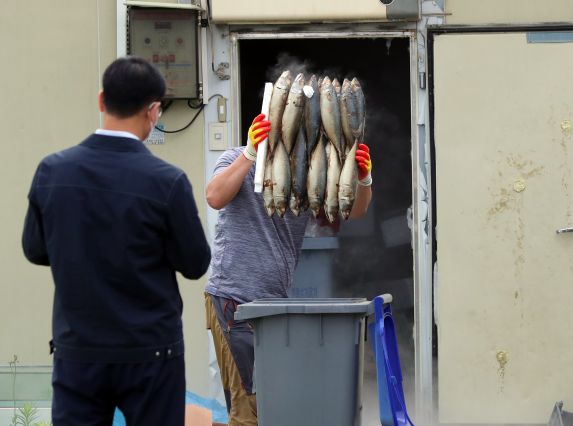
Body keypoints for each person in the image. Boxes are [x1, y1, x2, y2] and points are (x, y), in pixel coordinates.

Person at [21, 56, 211, 425]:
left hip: (78, 348)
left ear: (101, 100)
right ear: (154, 110)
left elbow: (35, 249)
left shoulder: (52, 171)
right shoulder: (166, 180)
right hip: (151, 350)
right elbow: (195, 263)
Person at [204, 113, 373, 425]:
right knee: (249, 409)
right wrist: (250, 153)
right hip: (233, 299)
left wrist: (362, 179)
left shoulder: (307, 176)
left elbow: (355, 210)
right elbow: (214, 196)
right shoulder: (235, 158)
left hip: (273, 305)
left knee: (267, 404)